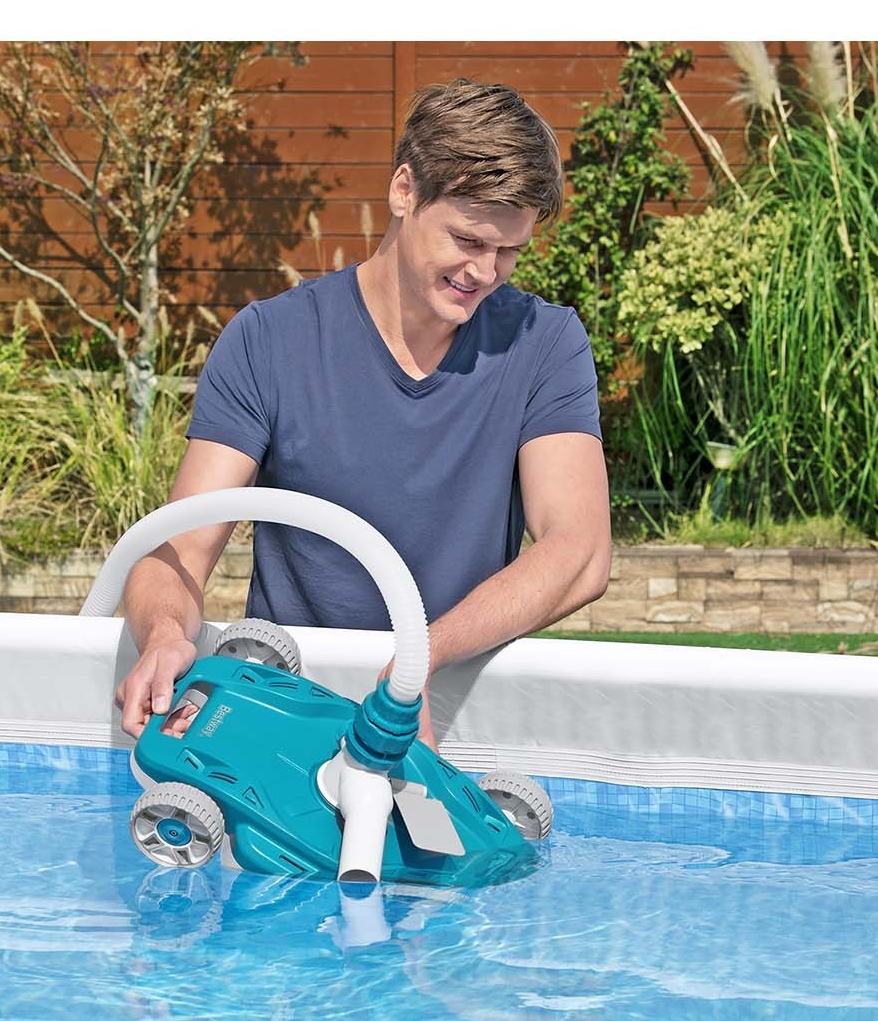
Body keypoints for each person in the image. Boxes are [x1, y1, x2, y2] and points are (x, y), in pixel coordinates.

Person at [115, 78, 612, 747]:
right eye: (467, 240)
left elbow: (579, 551)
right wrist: (166, 633)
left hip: (445, 701)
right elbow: (176, 551)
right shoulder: (271, 340)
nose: (486, 273)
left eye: (510, 251)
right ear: (404, 190)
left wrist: (420, 662)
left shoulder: (544, 343)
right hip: (285, 719)